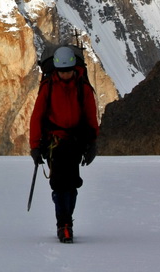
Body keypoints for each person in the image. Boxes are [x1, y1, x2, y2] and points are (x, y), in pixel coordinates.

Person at [29, 46, 100, 243]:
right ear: (57, 70)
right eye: (62, 71)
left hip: (75, 143)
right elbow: (37, 117)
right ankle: (64, 224)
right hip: (56, 143)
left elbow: (90, 116)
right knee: (62, 184)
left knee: (69, 184)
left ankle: (65, 222)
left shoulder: (82, 88)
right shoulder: (48, 87)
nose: (66, 74)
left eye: (68, 70)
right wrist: (35, 146)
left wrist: (92, 143)